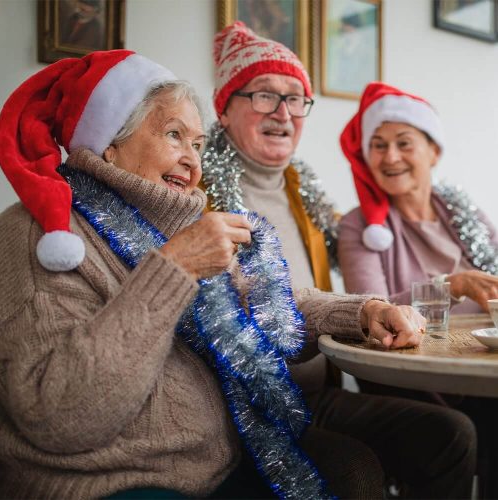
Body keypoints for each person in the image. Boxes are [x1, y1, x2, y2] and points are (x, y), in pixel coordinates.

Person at [0, 50, 466, 499]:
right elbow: (62, 417)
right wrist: (175, 269)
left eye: (197, 145)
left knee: (359, 462)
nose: (192, 160)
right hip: (111, 478)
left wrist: (365, 310)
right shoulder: (40, 235)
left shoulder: (171, 225)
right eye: (174, 135)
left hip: (215, 457)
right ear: (108, 146)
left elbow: (266, 302)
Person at [202, 23, 477, 499]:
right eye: (264, 96)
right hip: (243, 403)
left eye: (295, 99)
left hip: (316, 392)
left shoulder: (305, 198)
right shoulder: (199, 195)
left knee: (451, 434)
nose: (283, 113)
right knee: (355, 469)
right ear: (224, 110)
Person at [338, 81, 498, 498]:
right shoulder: (360, 227)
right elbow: (373, 308)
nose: (390, 157)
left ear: (434, 151)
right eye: (378, 144)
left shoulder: (464, 214)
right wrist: (452, 284)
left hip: (481, 371)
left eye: (404, 143)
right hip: (417, 384)